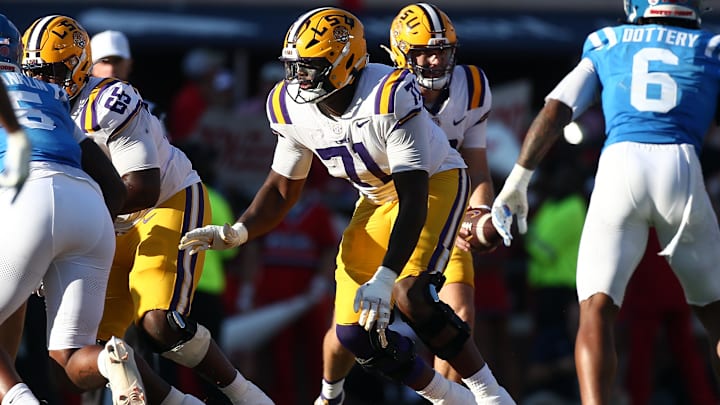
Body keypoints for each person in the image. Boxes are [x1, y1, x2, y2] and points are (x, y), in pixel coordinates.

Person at [180, 6, 514, 405]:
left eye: (310, 67)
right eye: (295, 66)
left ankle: (490, 394)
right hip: (374, 198)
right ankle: (445, 396)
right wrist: (239, 230)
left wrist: (387, 275)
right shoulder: (290, 105)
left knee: (413, 294)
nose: (298, 78)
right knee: (353, 333)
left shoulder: (390, 94)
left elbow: (412, 196)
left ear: (345, 62)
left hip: (433, 185)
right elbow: (283, 187)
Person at [21, 14, 272, 405]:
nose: (44, 83)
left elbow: (141, 188)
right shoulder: (26, 108)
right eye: (36, 73)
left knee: (160, 326)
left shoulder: (108, 101)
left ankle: (245, 395)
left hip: (159, 204)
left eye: (54, 72)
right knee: (74, 362)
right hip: (101, 220)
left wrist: (58, 241)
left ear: (79, 65)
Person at [490, 1, 720, 403]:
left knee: (596, 308)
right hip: (682, 165)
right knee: (715, 313)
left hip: (618, 167)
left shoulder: (608, 40)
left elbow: (557, 107)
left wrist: (518, 179)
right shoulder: (712, 43)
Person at [313, 3, 509, 403]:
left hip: (441, 201)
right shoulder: (381, 89)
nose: (434, 60)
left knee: (454, 311)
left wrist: (480, 212)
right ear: (400, 53)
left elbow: (478, 167)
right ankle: (330, 393)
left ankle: (452, 399)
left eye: (442, 50)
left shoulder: (471, 86)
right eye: (422, 52)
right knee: (346, 333)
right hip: (385, 207)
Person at [0, 13, 150, 405]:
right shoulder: (51, 97)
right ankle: (109, 362)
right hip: (89, 206)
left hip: (29, 200)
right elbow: (114, 187)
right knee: (68, 357)